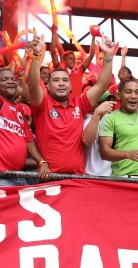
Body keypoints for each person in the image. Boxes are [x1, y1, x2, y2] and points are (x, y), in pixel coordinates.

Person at [27, 30, 117, 174]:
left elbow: (101, 86)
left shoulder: (79, 104)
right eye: (56, 80)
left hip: (77, 178)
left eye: (65, 80)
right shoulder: (43, 104)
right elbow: (32, 86)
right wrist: (37, 55)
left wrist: (108, 56)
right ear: (48, 86)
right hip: (50, 177)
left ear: (70, 87)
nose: (61, 83)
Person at [0, 34, 50, 186]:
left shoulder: (19, 110)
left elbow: (29, 140)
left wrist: (42, 161)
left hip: (19, 176)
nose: (10, 82)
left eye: (12, 79)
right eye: (4, 80)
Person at [82, 92, 115, 176]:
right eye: (103, 102)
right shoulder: (88, 122)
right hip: (92, 174)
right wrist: (98, 112)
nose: (108, 104)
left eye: (110, 100)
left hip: (109, 174)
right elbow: (87, 140)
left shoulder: (109, 121)